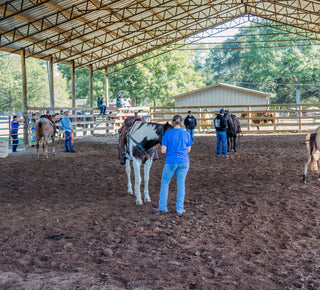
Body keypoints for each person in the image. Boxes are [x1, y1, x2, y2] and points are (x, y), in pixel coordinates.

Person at [157, 115, 192, 214]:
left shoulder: (168, 134)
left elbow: (163, 151)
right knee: (181, 184)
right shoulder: (186, 134)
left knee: (165, 182)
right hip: (184, 162)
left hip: (171, 161)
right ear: (181, 123)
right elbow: (188, 150)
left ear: (173, 123)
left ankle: (163, 207)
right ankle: (179, 208)